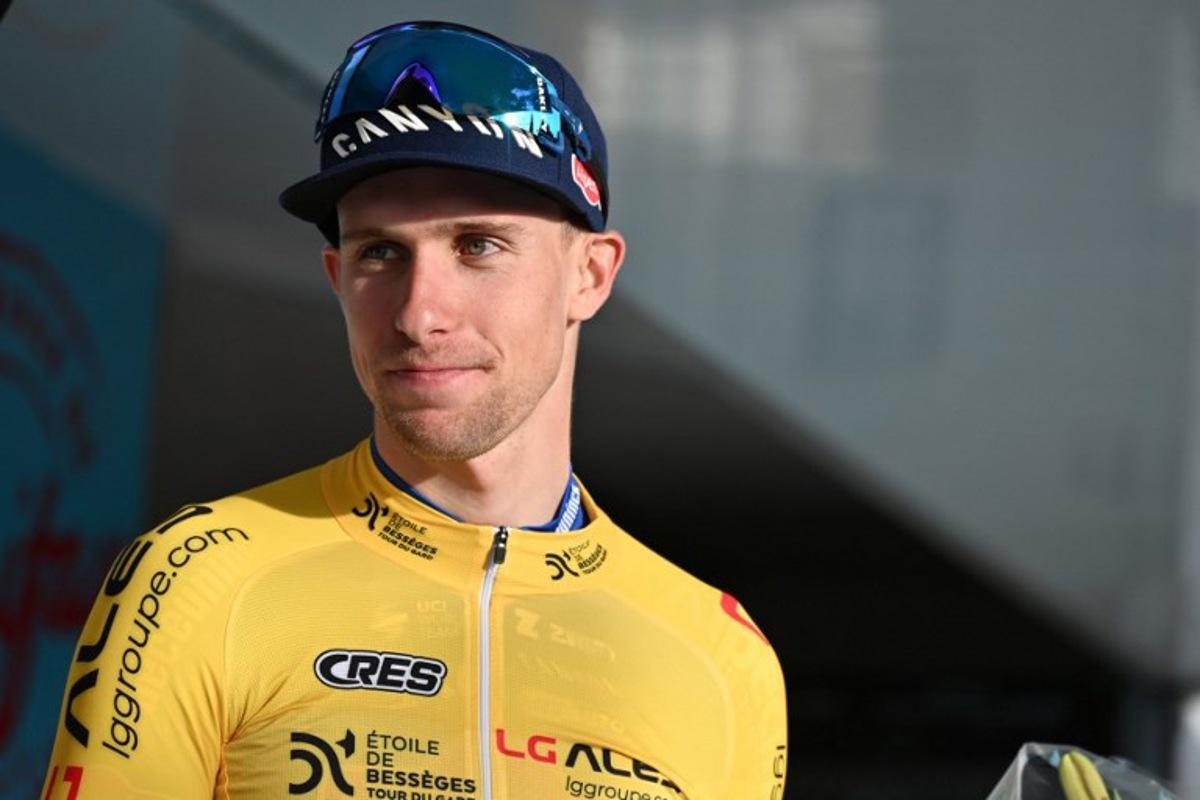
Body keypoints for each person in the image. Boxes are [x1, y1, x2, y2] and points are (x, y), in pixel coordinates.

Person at [41, 21, 787, 800]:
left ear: (590, 276)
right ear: (336, 277)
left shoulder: (719, 655)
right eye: (380, 254)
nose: (418, 315)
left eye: (477, 246)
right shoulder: (197, 578)